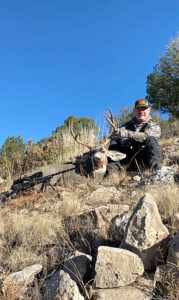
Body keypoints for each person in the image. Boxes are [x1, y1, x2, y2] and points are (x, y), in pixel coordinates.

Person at [108, 99, 162, 172]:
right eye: (138, 109)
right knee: (114, 140)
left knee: (151, 139)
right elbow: (117, 136)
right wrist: (122, 139)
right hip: (127, 159)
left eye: (144, 109)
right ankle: (112, 172)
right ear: (134, 111)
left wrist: (128, 134)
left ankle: (156, 171)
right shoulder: (125, 125)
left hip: (145, 160)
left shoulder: (154, 126)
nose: (141, 111)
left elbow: (145, 136)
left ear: (149, 110)